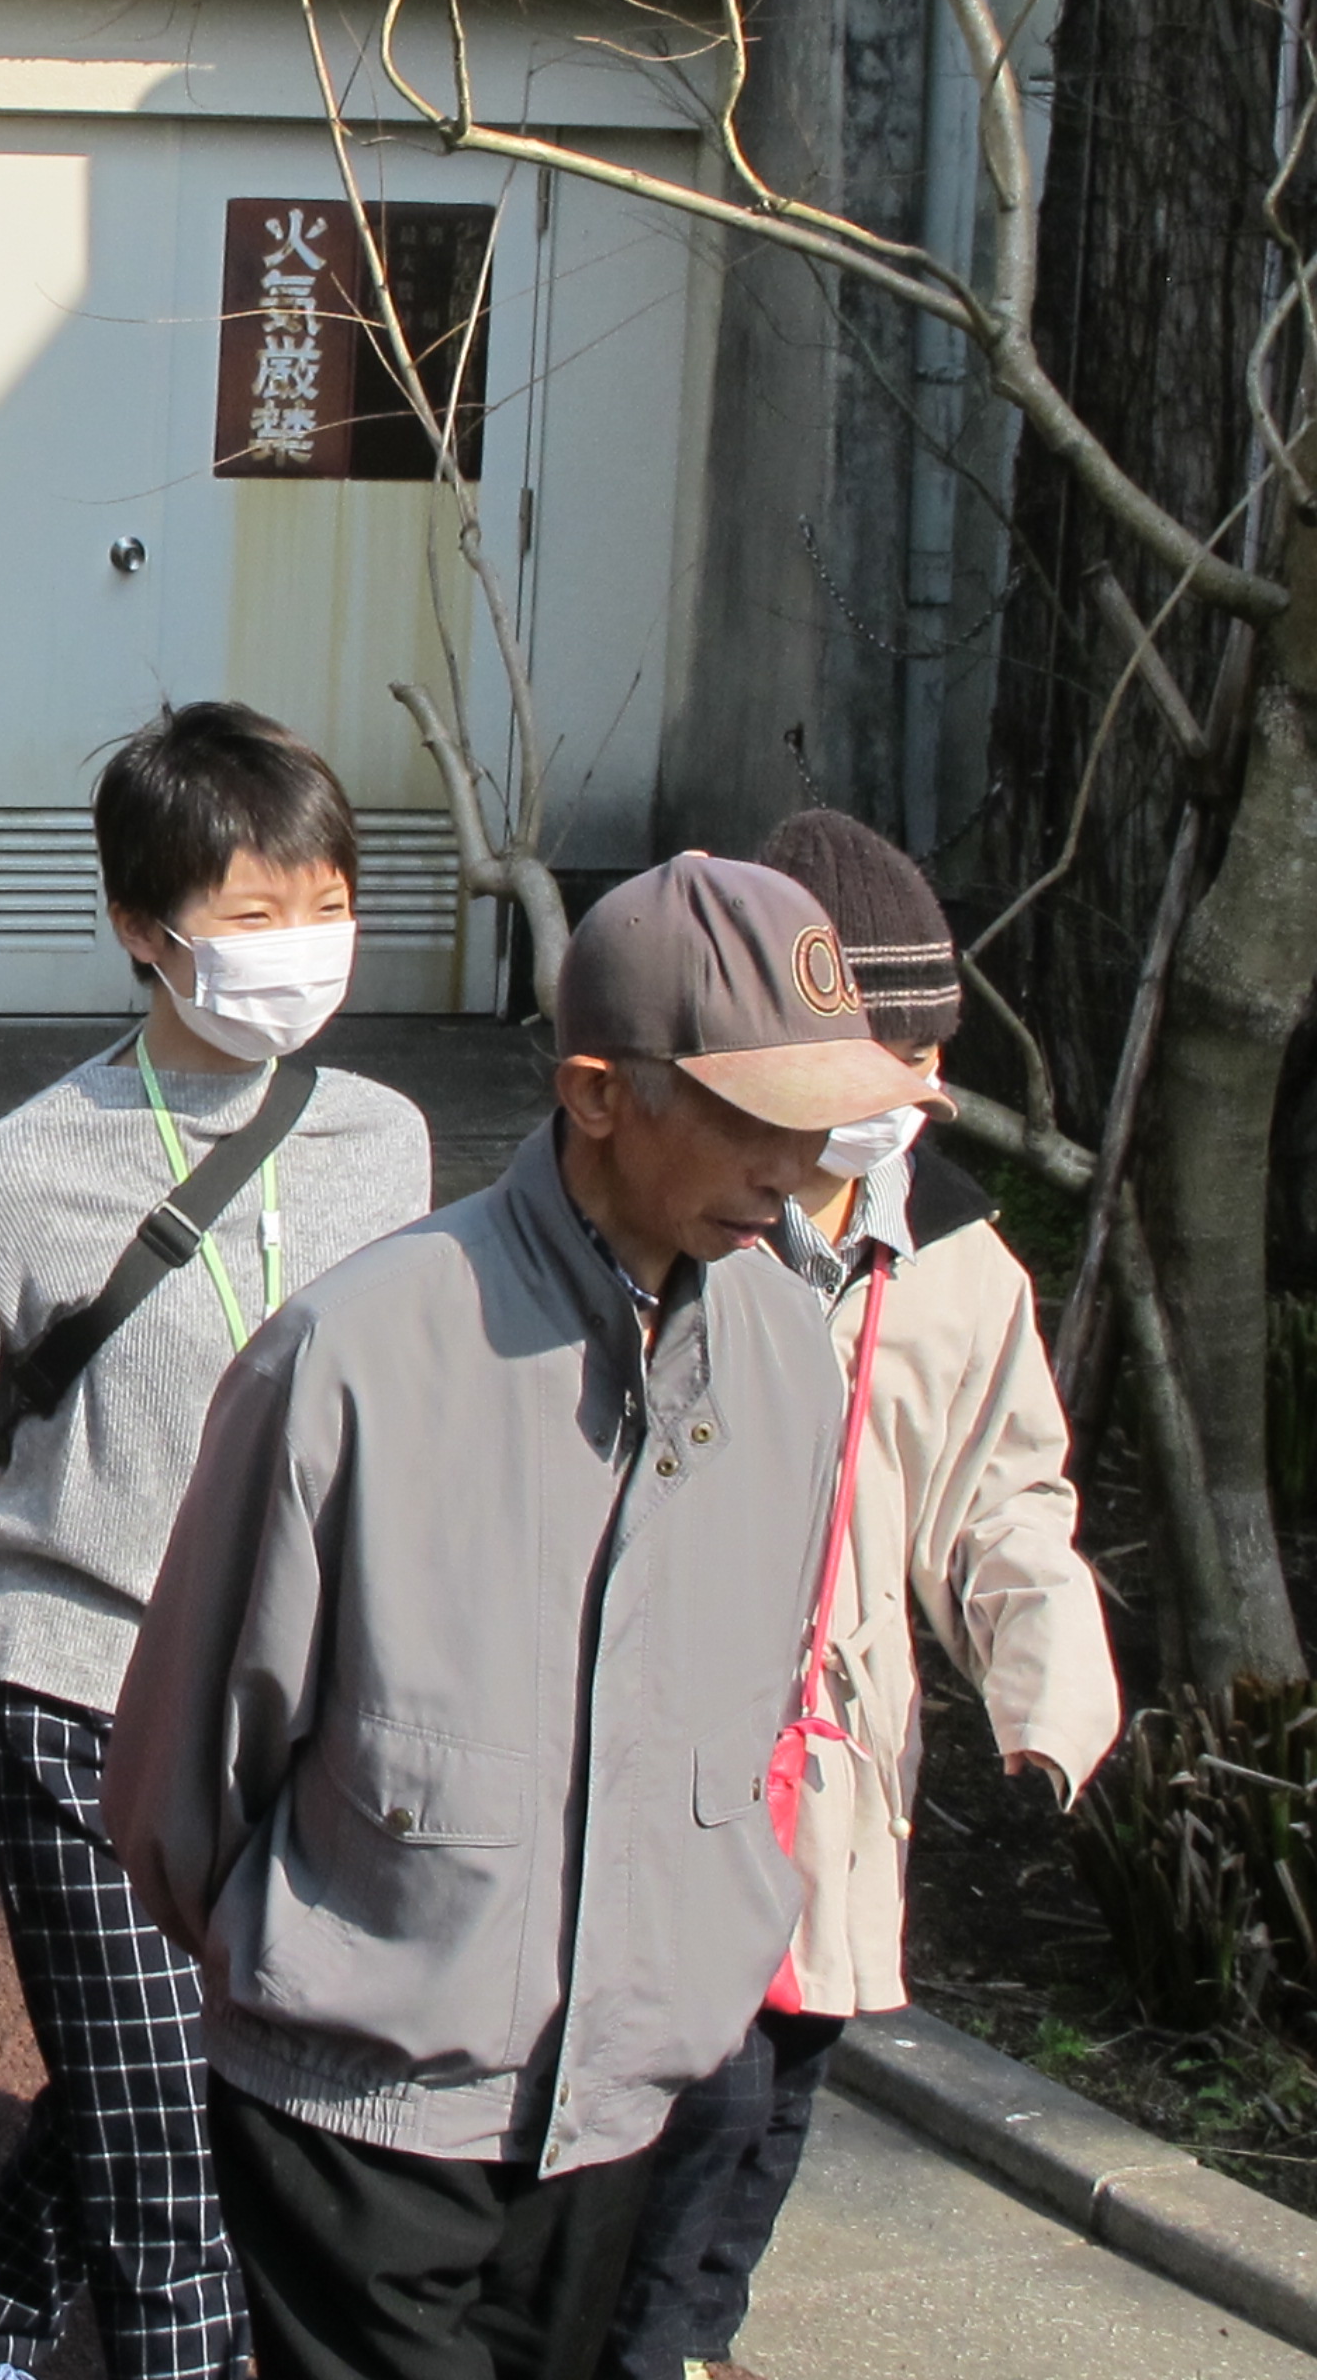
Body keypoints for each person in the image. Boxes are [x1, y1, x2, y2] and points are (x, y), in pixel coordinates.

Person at [104, 853, 938, 2380]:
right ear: (599, 1095)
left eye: (822, 1113)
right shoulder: (350, 1356)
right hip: (358, 2109)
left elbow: (751, 1700)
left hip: (621, 2105)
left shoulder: (787, 1358)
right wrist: (344, 1960)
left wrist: (693, 1949)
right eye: (755, 1113)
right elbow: (187, 1779)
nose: (800, 1158)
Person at [0, 705, 433, 2380]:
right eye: (253, 912)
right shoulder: (19, 1176)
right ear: (141, 927)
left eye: (328, 905)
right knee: (174, 2171)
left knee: (164, 2080)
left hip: (288, 1714)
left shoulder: (387, 1145)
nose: (301, 947)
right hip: (75, 1693)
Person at [603, 813, 1120, 2380]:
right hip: (656, 1736)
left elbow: (1006, 1499)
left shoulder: (959, 1265)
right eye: (878, 1051)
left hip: (834, 1749)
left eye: (928, 1053)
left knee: (785, 2079)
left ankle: (687, 2339)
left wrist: (1048, 1702)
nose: (913, 1088)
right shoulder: (669, 1226)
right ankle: (638, 2344)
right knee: (696, 2092)